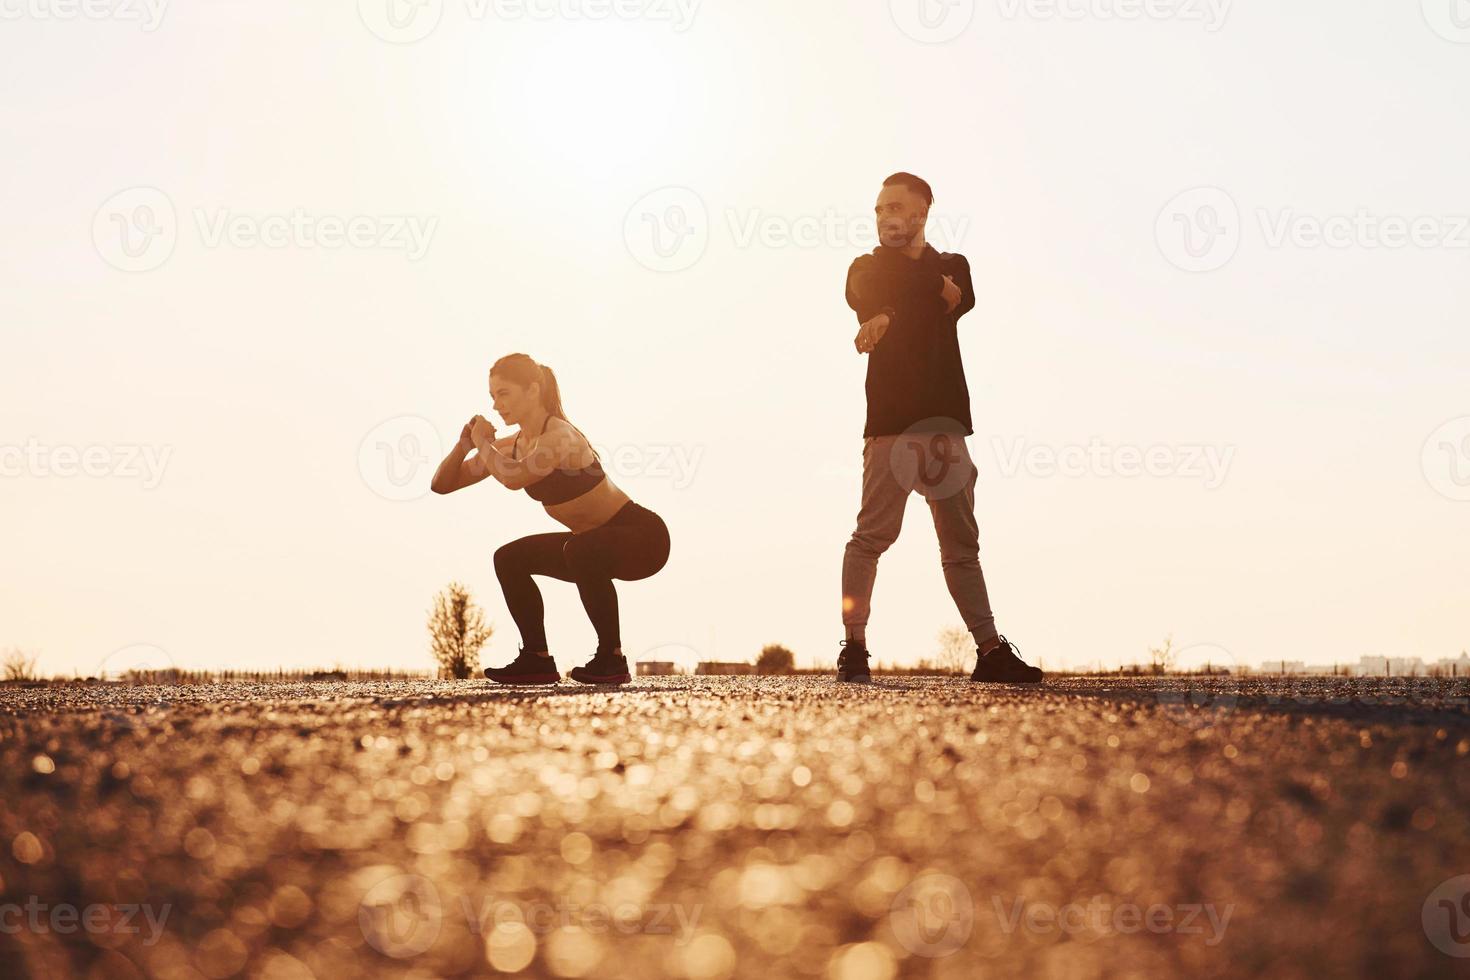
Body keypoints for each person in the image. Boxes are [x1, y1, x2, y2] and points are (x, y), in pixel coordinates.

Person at [839, 172, 1042, 685]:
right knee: (870, 538)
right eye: (880, 208)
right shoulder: (865, 267)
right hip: (889, 427)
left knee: (961, 546)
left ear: (922, 214)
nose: (886, 216)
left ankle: (990, 651)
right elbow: (865, 288)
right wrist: (889, 306)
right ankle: (855, 648)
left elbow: (958, 296)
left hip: (945, 429)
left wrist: (898, 302)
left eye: (896, 208)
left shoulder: (955, 266)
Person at [431, 353, 670, 685]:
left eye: (504, 394)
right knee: (510, 558)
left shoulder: (559, 436)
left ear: (532, 390)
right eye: (492, 396)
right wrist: (462, 446)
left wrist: (483, 443)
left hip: (644, 539)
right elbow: (442, 485)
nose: (497, 405)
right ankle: (536, 659)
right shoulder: (513, 445)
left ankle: (611, 658)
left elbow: (513, 478)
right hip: (591, 544)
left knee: (579, 549)